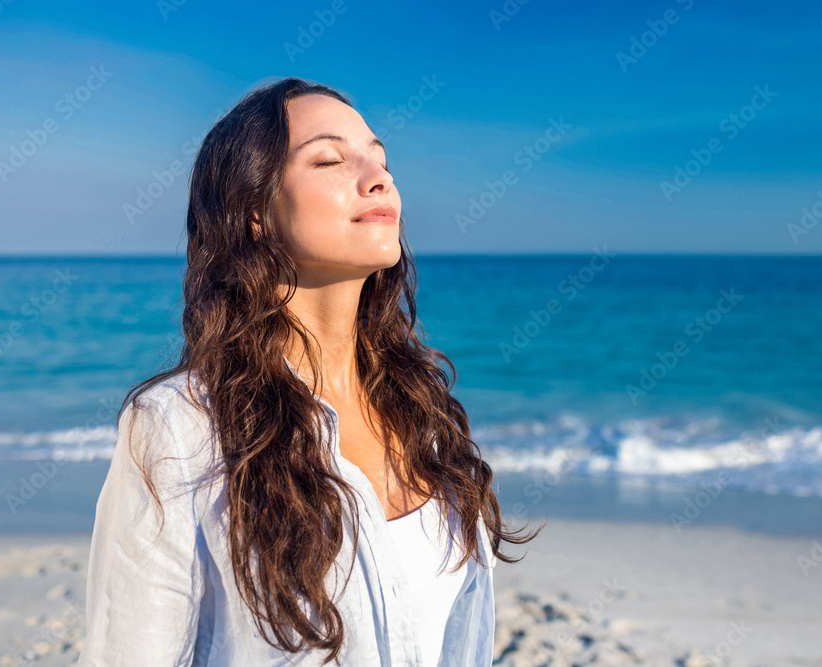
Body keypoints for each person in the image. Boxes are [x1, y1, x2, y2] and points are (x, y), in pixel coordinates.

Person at [77, 77, 542, 666]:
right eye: (328, 159)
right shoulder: (178, 429)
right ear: (253, 213)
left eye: (380, 159)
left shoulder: (424, 414)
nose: (380, 179)